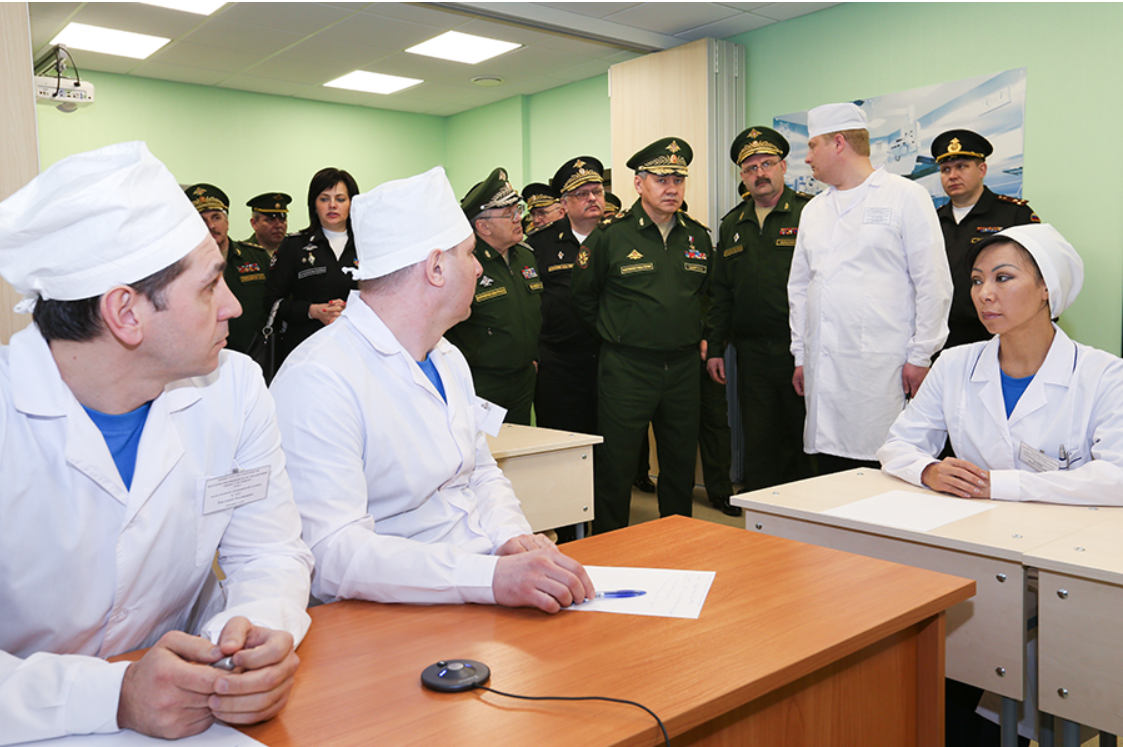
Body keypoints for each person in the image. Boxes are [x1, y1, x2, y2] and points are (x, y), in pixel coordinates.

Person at [0, 142, 313, 744]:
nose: (234, 305)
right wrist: (112, 695)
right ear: (126, 313)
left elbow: (268, 553)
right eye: (209, 286)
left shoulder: (237, 388)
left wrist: (247, 637)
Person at [271, 166, 594, 612]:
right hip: (395, 612)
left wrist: (513, 539)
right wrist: (489, 578)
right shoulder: (319, 378)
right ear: (436, 268)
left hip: (478, 584)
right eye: (469, 254)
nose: (480, 266)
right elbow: (333, 554)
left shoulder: (447, 356)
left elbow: (480, 472)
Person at [878, 223, 1110, 747]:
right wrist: (929, 470)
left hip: (1058, 565)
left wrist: (1001, 485)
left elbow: (1116, 477)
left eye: (1004, 278)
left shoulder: (1102, 375)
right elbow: (897, 444)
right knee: (941, 662)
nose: (985, 293)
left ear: (1047, 287)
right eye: (978, 280)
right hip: (972, 549)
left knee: (1025, 671)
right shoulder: (958, 363)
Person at [789, 103, 952, 473]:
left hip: (884, 367)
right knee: (828, 472)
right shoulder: (813, 210)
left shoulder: (905, 196)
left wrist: (922, 354)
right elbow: (799, 289)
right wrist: (800, 353)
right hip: (822, 365)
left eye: (813, 146)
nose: (808, 158)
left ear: (839, 143)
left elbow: (933, 282)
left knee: (885, 467)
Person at [571, 137, 712, 533]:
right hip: (627, 368)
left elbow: (705, 296)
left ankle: (678, 539)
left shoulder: (697, 236)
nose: (672, 188)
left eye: (678, 180)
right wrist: (616, 334)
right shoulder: (610, 237)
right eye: (661, 179)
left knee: (680, 462)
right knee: (616, 465)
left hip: (683, 368)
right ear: (638, 184)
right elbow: (583, 299)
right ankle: (610, 545)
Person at [708, 126, 814, 493]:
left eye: (767, 163)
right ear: (743, 176)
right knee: (760, 439)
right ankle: (766, 519)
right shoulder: (733, 224)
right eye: (750, 167)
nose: (760, 173)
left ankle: (809, 518)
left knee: (805, 437)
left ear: (783, 166)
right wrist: (716, 346)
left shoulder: (809, 214)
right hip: (751, 352)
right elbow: (721, 292)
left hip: (799, 351)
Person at [445, 168, 542, 425]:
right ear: (483, 226)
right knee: (483, 452)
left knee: (519, 451)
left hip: (523, 378)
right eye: (508, 214)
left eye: (517, 210)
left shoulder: (526, 255)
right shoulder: (464, 263)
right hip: (482, 381)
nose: (518, 218)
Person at [931, 130, 1040, 350]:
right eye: (945, 170)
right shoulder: (932, 221)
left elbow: (1041, 275)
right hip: (940, 339)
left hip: (997, 337)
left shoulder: (1013, 215)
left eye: (961, 167)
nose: (952, 175)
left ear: (982, 170)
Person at [526, 156, 605, 437]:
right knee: (560, 440)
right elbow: (529, 303)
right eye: (581, 194)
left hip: (610, 359)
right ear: (564, 204)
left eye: (597, 191)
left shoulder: (619, 238)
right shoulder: (539, 244)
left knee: (610, 442)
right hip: (558, 363)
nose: (592, 198)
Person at [263, 168, 359, 365]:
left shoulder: (368, 245)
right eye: (324, 199)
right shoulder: (294, 246)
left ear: (352, 204)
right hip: (306, 352)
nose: (332, 205)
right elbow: (271, 302)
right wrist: (311, 310)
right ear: (314, 205)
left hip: (358, 349)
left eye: (340, 199)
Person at [183, 183, 272, 354]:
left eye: (216, 217)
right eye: (202, 220)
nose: (211, 226)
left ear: (227, 222)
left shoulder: (256, 256)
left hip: (258, 353)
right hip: (209, 354)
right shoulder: (184, 266)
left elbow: (275, 302)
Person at [243, 192, 292, 256]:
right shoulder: (243, 253)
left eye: (282, 220)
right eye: (270, 220)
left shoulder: (294, 252)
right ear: (254, 223)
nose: (279, 225)